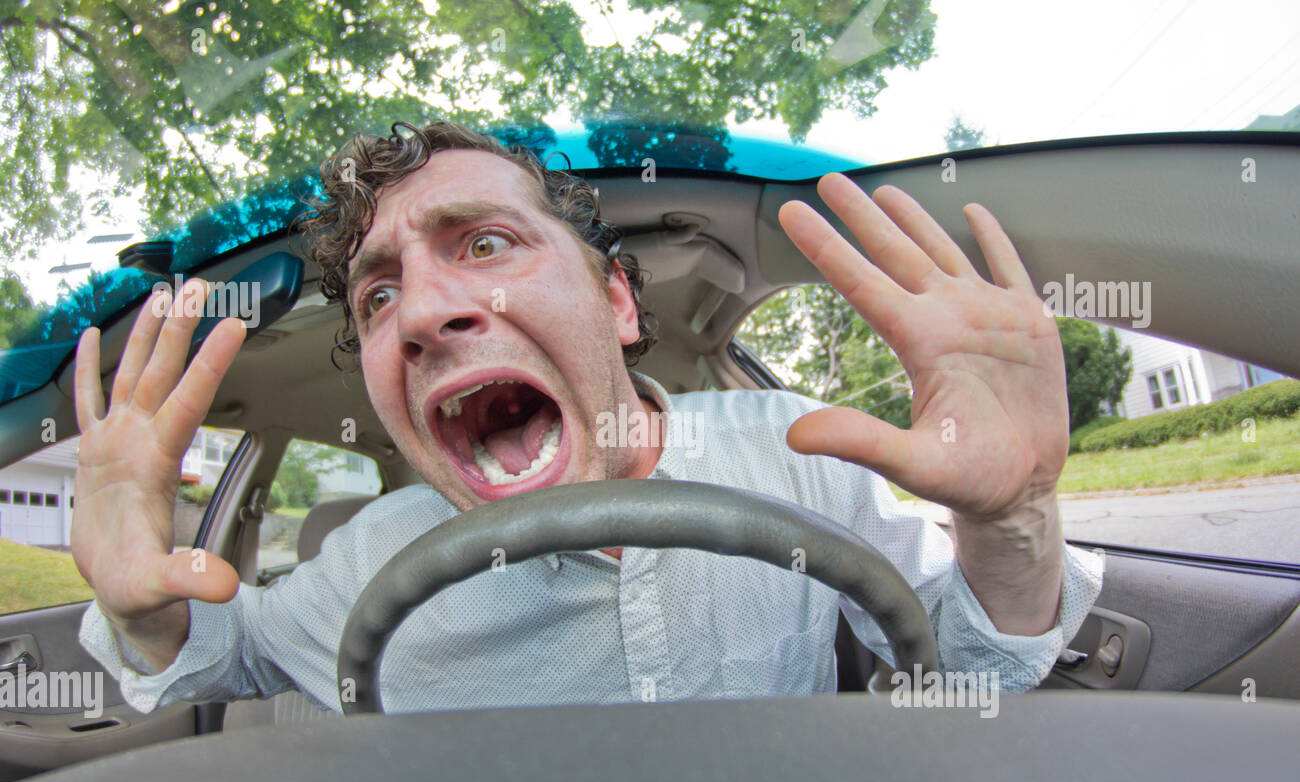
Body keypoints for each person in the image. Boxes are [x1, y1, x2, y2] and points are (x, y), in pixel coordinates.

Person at [72, 121, 1103, 714]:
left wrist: (1011, 519)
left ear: (616, 300)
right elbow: (224, 659)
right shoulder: (363, 564)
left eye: (482, 244)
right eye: (379, 296)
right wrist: (143, 609)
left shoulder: (797, 452)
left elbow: (973, 679)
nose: (425, 311)